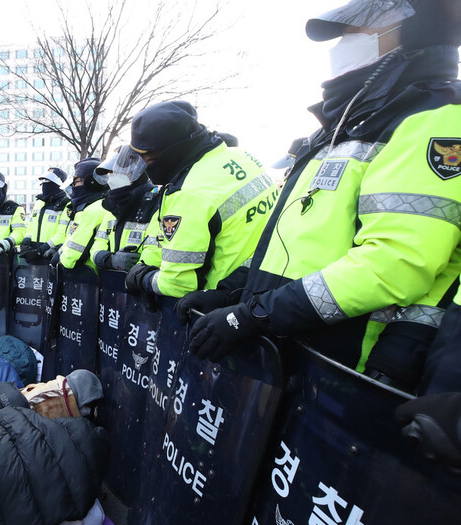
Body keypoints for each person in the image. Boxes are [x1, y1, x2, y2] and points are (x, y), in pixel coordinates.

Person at [185, 0, 461, 387]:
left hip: (347, 364)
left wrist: (255, 315)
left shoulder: (436, 116)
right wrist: (233, 294)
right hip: (291, 352)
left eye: (354, 32)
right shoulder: (347, 122)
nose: (341, 44)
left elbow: (394, 262)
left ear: (414, 29)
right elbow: (295, 242)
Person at [120, 101, 278, 311]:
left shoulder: (189, 192)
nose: (146, 165)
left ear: (172, 152)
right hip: (264, 288)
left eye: (149, 158)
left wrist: (143, 279)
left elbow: (178, 283)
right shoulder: (241, 157)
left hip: (216, 310)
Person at [91, 150, 158, 272]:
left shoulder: (155, 203)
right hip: (112, 286)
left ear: (135, 172)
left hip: (140, 286)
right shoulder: (111, 207)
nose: (111, 177)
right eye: (109, 173)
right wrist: (109, 260)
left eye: (116, 171)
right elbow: (97, 244)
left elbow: (155, 252)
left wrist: (134, 270)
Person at [57, 158, 111, 270]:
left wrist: (58, 259)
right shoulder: (101, 204)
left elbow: (71, 259)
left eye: (76, 182)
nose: (74, 187)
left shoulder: (91, 210)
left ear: (91, 182)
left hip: (87, 279)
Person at [20, 168, 71, 262]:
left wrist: (42, 249)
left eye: (49, 181)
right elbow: (31, 227)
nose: (45, 184)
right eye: (44, 181)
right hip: (32, 256)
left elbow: (62, 234)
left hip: (51, 255)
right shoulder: (39, 203)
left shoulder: (67, 205)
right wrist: (26, 241)